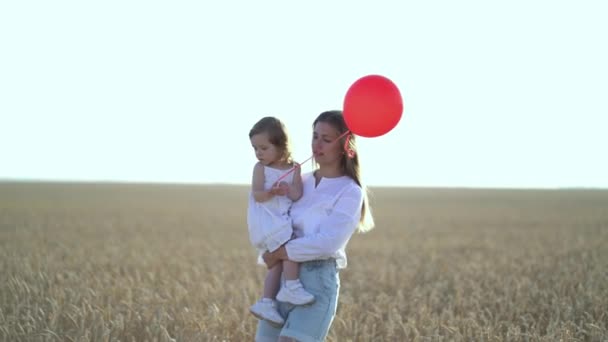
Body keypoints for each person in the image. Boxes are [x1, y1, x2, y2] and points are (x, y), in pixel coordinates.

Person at [255, 110, 375, 342]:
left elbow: (328, 242)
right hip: (281, 281)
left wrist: (279, 252)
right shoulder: (298, 180)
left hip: (317, 283)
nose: (317, 144)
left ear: (345, 147)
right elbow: (273, 220)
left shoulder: (350, 191)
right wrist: (266, 253)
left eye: (326, 139)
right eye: (315, 136)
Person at [248, 116, 316, 327]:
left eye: (263, 148)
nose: (258, 153)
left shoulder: (294, 168)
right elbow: (258, 195)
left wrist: (288, 189)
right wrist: (271, 192)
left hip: (281, 218)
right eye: (255, 148)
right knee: (291, 245)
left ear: (281, 145)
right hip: (267, 219)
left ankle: (266, 302)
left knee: (276, 264)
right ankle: (292, 287)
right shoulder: (260, 168)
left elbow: (296, 195)